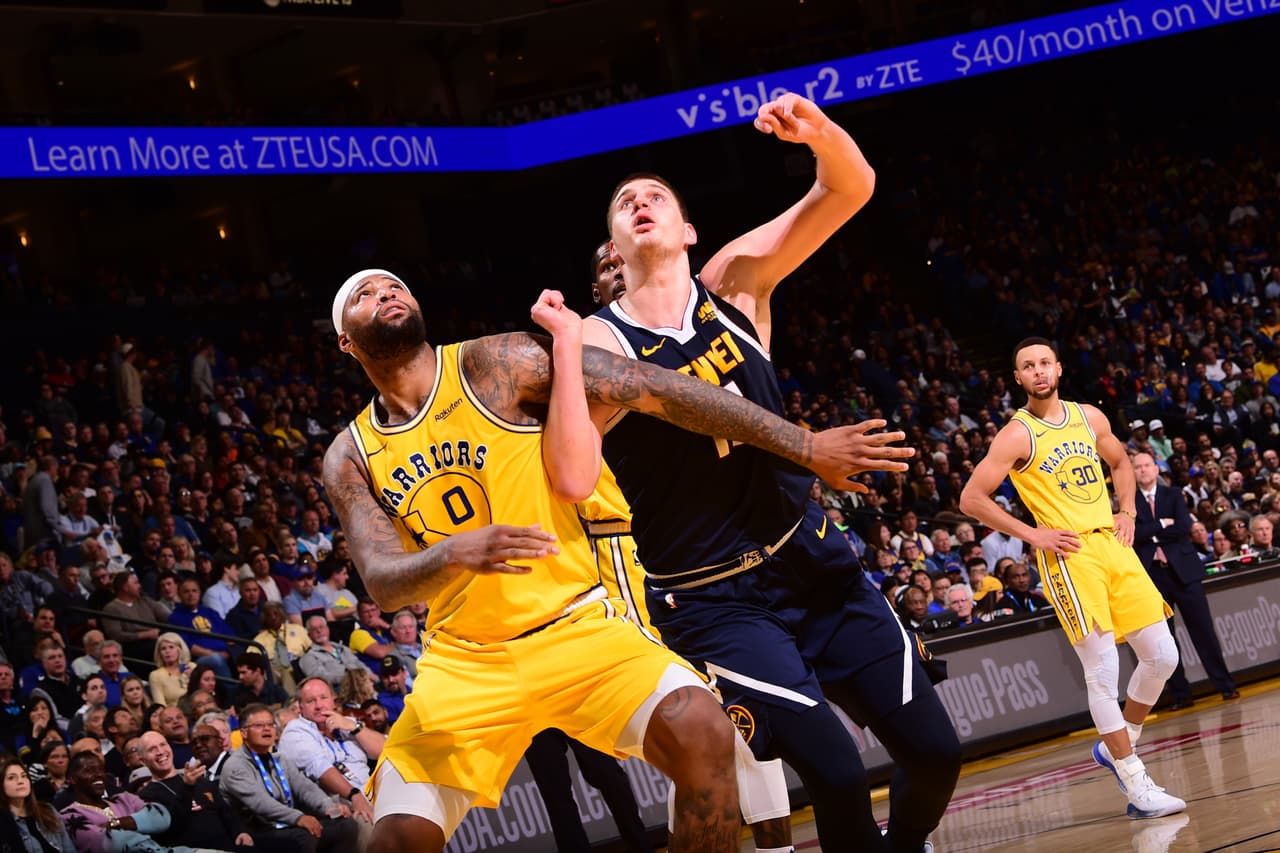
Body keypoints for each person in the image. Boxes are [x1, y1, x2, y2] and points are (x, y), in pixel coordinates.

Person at [322, 265, 900, 853]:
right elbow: (384, 584)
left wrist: (803, 444)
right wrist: (454, 552)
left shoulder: (493, 363)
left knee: (704, 731)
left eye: (394, 285)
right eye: (364, 295)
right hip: (467, 661)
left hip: (578, 626)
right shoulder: (351, 454)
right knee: (392, 840)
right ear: (346, 340)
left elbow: (654, 386)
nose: (385, 294)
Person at [583, 95, 958, 852]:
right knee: (839, 773)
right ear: (614, 249)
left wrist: (820, 133)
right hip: (714, 597)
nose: (641, 201)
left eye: (657, 195)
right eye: (626, 203)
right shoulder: (597, 339)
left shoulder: (736, 285)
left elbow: (848, 189)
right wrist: (804, 444)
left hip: (812, 559)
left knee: (937, 753)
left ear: (689, 230)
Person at [959, 337, 1185, 819]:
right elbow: (971, 498)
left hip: (1113, 544)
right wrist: (1031, 535)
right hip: (1069, 555)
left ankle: (1121, 742)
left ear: (1058, 368)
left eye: (1044, 363)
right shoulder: (1017, 435)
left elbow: (1121, 462)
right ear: (1017, 378)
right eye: (1027, 366)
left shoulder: (1090, 417)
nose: (1038, 371)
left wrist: (1127, 510)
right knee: (1103, 672)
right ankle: (1135, 782)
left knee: (1164, 656)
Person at [1131, 452, 1239, 708]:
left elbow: (1183, 528)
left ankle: (1225, 685)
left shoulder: (1173, 494)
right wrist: (1160, 525)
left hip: (1185, 573)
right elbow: (1133, 535)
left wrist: (1152, 533)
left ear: (1156, 469)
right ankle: (1181, 695)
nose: (1143, 470)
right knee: (1164, 642)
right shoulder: (1130, 501)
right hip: (1153, 576)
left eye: (1147, 465)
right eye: (1138, 467)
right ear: (1132, 472)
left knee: (1204, 632)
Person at [219, 703, 359, 853]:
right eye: (259, 725)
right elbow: (261, 804)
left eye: (270, 725)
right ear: (244, 733)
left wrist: (330, 807)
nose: (267, 729)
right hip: (256, 830)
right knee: (305, 836)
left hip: (286, 823)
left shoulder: (280, 759)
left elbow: (305, 788)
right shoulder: (235, 766)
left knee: (346, 825)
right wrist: (299, 818)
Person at [279, 678, 385, 827]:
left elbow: (385, 751)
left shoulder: (346, 722)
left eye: (323, 698)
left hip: (375, 795)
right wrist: (355, 796)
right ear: (301, 707)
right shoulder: (295, 731)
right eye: (310, 701)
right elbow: (321, 769)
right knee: (371, 825)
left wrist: (354, 727)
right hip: (340, 807)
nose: (318, 705)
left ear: (333, 701)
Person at [136, 730, 252, 851]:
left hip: (229, 845)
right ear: (143, 761)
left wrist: (240, 832)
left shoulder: (198, 779)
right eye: (152, 749)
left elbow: (225, 811)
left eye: (163, 745)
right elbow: (172, 826)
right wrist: (187, 787)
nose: (160, 752)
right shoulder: (146, 797)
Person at [60, 750, 180, 853]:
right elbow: (106, 844)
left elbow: (161, 816)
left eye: (101, 769)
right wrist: (143, 824)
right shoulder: (69, 816)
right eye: (88, 770)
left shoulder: (123, 799)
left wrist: (119, 823)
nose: (99, 775)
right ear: (72, 779)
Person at [0, 756, 76, 853]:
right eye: (11, 778)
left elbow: (69, 849)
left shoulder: (48, 810)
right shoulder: (3, 822)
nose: (20, 781)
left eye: (24, 776)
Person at [147, 633, 196, 707]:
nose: (167, 651)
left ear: (180, 649)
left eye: (171, 647)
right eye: (163, 649)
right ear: (159, 653)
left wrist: (193, 679)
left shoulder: (192, 667)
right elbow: (160, 706)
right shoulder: (156, 675)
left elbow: (202, 695)